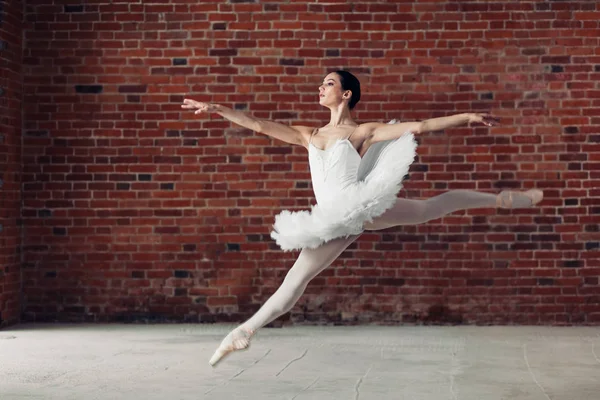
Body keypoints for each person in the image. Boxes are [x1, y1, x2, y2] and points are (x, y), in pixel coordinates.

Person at [181, 70, 543, 366]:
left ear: (346, 95)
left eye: (329, 83)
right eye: (322, 83)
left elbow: (420, 126)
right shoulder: (309, 134)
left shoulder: (360, 132)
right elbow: (259, 125)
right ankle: (242, 333)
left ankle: (504, 199)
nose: (320, 88)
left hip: (364, 207)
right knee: (295, 279)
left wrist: (467, 116)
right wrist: (217, 108)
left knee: (431, 207)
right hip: (333, 220)